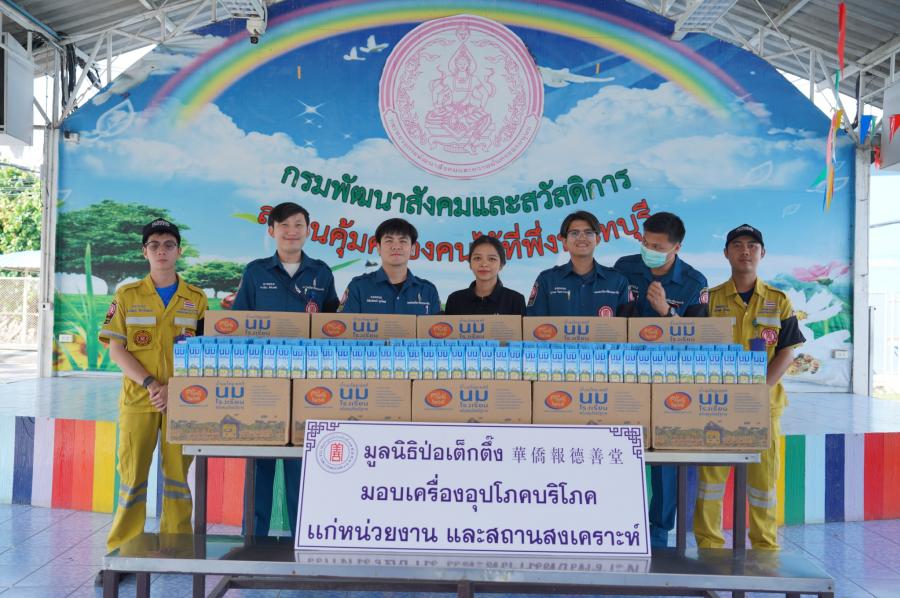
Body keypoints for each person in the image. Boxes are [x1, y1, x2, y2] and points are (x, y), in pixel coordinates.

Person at [97, 219, 208, 583]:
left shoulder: (196, 298)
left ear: (179, 251)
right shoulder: (127, 295)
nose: (162, 251)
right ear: (144, 252)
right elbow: (116, 350)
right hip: (139, 399)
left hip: (183, 400)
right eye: (155, 245)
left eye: (169, 244)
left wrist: (175, 389)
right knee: (132, 478)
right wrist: (150, 383)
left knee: (177, 477)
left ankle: (177, 551)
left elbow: (204, 351)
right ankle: (122, 554)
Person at [693, 224, 805, 550]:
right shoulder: (709, 300)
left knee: (763, 481)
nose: (745, 251)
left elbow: (788, 350)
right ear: (726, 253)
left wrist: (761, 390)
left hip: (764, 407)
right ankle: (709, 548)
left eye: (752, 246)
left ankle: (765, 548)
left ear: (762, 253)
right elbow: (693, 347)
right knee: (711, 481)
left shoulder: (778, 301)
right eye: (738, 245)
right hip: (717, 405)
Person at [231, 202, 338, 538]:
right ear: (271, 230)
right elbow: (238, 325)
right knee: (259, 464)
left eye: (298, 224)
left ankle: (302, 538)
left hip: (308, 383)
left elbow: (332, 328)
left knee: (301, 465)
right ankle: (253, 540)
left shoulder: (322, 273)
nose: (292, 231)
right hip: (263, 382)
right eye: (284, 225)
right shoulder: (255, 271)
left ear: (308, 230)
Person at [614, 212, 708, 549]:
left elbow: (699, 339)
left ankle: (659, 532)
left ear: (676, 247)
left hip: (671, 380)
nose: (649, 250)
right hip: (625, 377)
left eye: (657, 247)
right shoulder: (624, 268)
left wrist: (667, 313)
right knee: (620, 450)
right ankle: (619, 521)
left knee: (665, 459)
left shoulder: (694, 282)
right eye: (645, 242)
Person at [526, 210, 631, 316]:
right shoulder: (547, 280)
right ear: (564, 242)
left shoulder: (618, 281)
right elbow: (533, 322)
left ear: (597, 240)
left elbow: (628, 324)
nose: (581, 237)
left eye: (588, 232)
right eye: (574, 233)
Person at [339, 218, 441, 315]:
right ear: (378, 248)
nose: (396, 246)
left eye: (403, 241)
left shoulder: (428, 290)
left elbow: (439, 326)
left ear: (413, 249)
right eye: (389, 241)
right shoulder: (358, 287)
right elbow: (343, 324)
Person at [445, 235, 526, 315]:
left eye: (491, 259)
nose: (484, 264)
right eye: (477, 258)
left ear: (501, 265)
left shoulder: (516, 300)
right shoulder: (454, 300)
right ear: (470, 264)